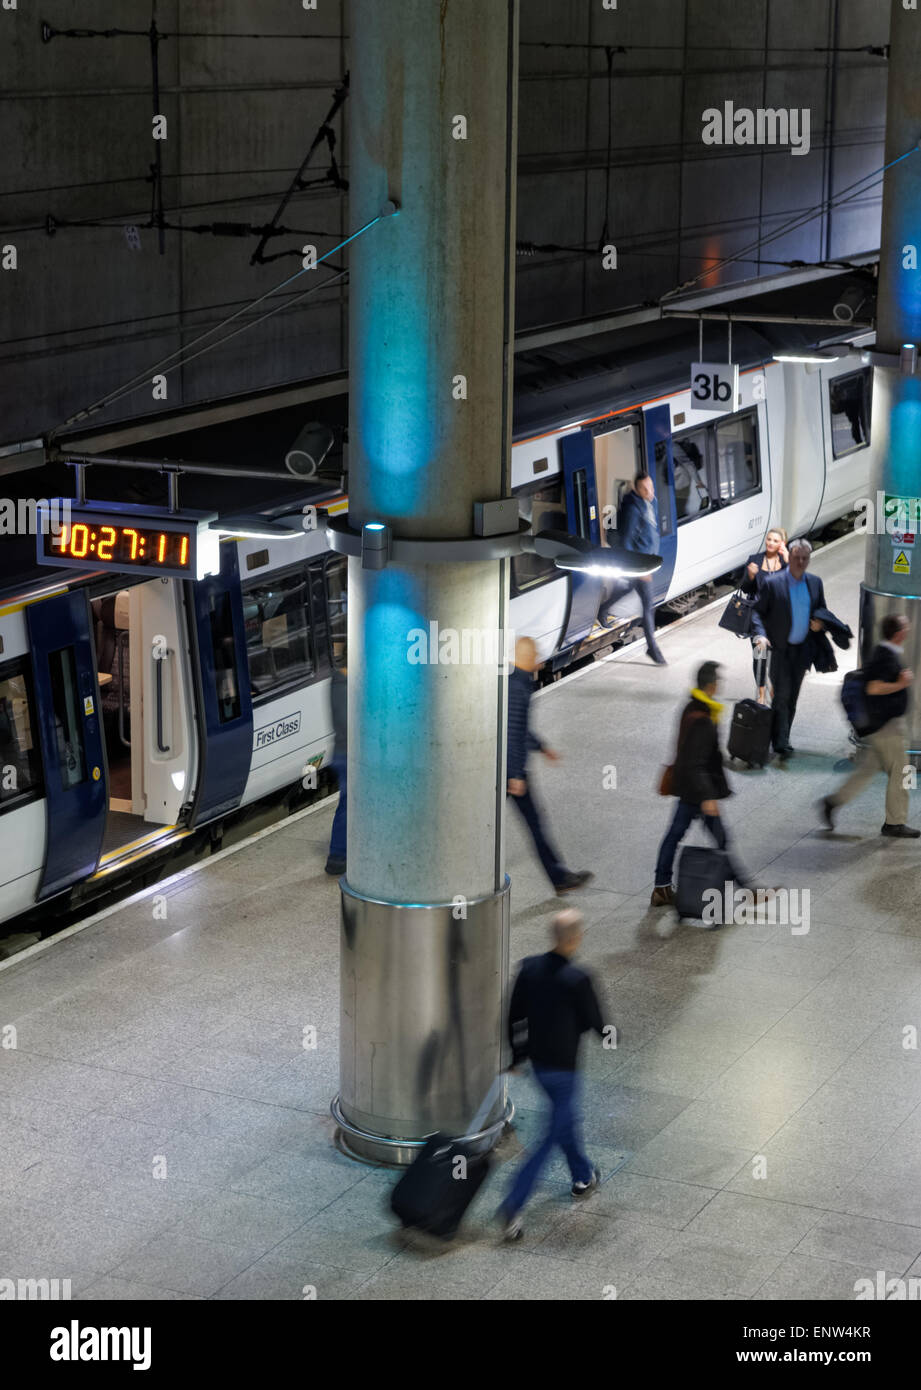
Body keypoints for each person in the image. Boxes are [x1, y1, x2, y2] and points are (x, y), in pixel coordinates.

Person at [498, 910, 605, 1241]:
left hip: (539, 1068)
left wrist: (517, 1056)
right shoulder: (578, 978)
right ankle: (513, 1203)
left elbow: (514, 1017)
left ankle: (583, 1176)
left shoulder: (529, 968)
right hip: (565, 1071)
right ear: (574, 938)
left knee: (565, 1124)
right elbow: (598, 1025)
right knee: (548, 1138)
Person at [651, 660, 748, 907]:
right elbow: (697, 762)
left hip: (688, 787)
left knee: (674, 836)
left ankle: (661, 887)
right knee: (721, 839)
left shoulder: (691, 707)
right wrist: (707, 797)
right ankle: (746, 889)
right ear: (712, 686)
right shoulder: (703, 717)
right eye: (718, 682)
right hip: (698, 792)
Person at [819, 613, 919, 838]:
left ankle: (832, 802)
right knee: (901, 772)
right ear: (898, 633)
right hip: (886, 728)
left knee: (866, 770)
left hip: (880, 728)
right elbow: (874, 688)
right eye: (904, 626)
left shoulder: (885, 652)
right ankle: (895, 823)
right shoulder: (885, 656)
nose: (908, 628)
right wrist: (901, 684)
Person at [508, 637, 594, 896]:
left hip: (503, 768)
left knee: (534, 823)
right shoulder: (516, 687)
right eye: (535, 655)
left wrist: (543, 747)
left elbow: (520, 729)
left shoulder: (516, 680)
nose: (540, 661)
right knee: (534, 824)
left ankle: (559, 878)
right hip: (507, 771)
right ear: (525, 657)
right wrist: (514, 774)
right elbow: (511, 731)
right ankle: (559, 878)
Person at [750, 537, 827, 761]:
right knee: (781, 696)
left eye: (805, 558)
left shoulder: (814, 583)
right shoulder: (773, 583)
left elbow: (822, 608)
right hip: (781, 650)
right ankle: (781, 743)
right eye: (796, 557)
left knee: (792, 698)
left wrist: (820, 622)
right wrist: (761, 635)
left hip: (802, 650)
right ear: (789, 557)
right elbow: (757, 612)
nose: (801, 561)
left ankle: (782, 737)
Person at [617, 472, 666, 665]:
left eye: (651, 487)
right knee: (648, 605)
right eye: (645, 489)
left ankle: (603, 610)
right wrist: (640, 569)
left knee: (629, 588)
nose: (650, 492)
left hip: (647, 560)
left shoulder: (647, 502)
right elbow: (626, 541)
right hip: (640, 564)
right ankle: (652, 648)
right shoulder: (633, 509)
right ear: (637, 490)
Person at [740, 527, 788, 703]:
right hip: (757, 617)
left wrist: (789, 559)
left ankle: (774, 686)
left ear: (782, 544)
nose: (771, 543)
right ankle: (761, 693)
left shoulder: (786, 563)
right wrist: (751, 576)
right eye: (769, 539)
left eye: (775, 541)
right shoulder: (754, 560)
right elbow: (745, 589)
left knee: (776, 658)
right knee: (760, 654)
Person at [324, 648, 348, 875]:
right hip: (348, 756)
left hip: (347, 754)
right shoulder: (341, 683)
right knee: (349, 805)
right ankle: (337, 857)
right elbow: (346, 723)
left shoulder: (344, 681)